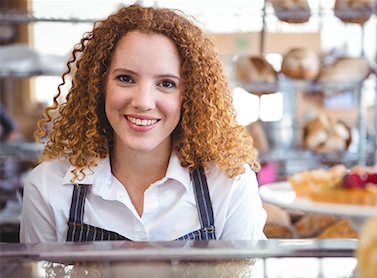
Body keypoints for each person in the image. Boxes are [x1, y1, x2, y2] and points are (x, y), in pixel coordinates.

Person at [20, 4, 267, 242]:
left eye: (167, 83)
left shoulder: (229, 183)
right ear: (99, 86)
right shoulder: (47, 187)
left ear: (189, 95)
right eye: (125, 78)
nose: (143, 102)